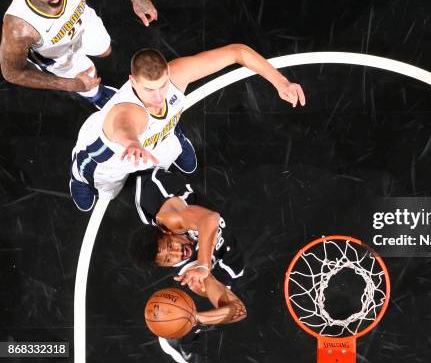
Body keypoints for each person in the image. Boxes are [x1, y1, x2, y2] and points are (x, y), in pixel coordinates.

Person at [69, 44, 306, 211]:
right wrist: (131, 142)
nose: (158, 96)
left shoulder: (177, 75)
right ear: (132, 81)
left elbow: (237, 52)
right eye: (149, 90)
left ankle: (173, 135)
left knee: (174, 148)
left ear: (167, 74)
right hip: (112, 155)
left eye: (162, 86)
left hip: (156, 141)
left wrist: (280, 81)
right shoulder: (130, 111)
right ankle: (79, 176)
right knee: (105, 194)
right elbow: (124, 126)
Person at [0, 0, 157, 108]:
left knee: (105, 50)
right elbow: (12, 73)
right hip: (59, 55)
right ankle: (97, 95)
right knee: (87, 83)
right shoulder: (19, 27)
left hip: (84, 25)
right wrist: (71, 84)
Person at [129, 167, 246, 363]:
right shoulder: (194, 274)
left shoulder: (171, 219)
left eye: (170, 246)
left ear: (166, 232)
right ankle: (181, 335)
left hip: (154, 180)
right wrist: (195, 318)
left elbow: (211, 219)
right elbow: (239, 310)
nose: (177, 253)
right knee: (229, 280)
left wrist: (203, 263)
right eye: (169, 259)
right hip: (230, 256)